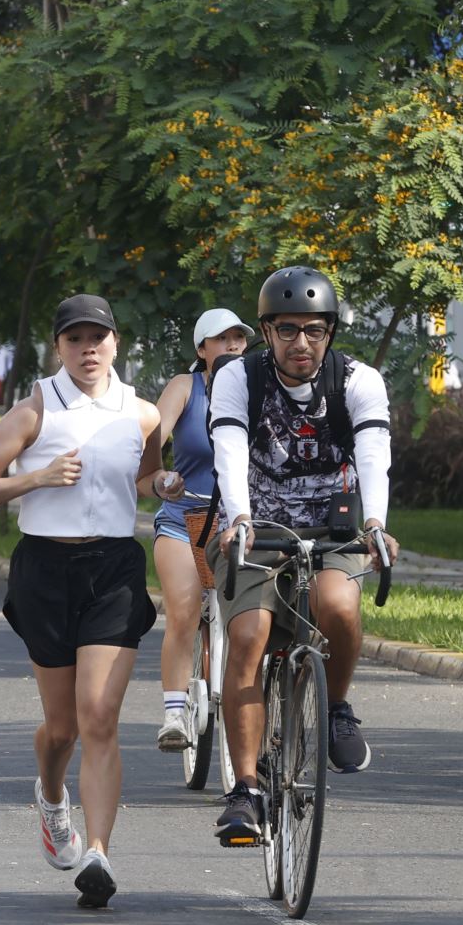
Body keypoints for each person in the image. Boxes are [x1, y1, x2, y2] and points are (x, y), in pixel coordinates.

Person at [0, 294, 183, 909]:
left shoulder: (139, 414)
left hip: (112, 567)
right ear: (58, 347)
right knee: (62, 727)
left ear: (116, 342)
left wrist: (161, 482)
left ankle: (99, 851)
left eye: (99, 338)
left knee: (99, 717)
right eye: (75, 340)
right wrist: (36, 477)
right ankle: (52, 797)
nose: (89, 349)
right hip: (45, 570)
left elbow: (143, 475)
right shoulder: (33, 411)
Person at [208, 267, 398, 843]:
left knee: (338, 606)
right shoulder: (238, 377)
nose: (301, 344)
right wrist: (237, 516)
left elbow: (373, 453)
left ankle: (336, 706)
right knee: (248, 635)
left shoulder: (359, 381)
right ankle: (245, 790)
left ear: (330, 333)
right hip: (256, 529)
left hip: (333, 528)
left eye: (314, 331)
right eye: (287, 330)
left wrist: (375, 524)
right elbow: (230, 446)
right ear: (266, 332)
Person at [148, 307, 252, 752]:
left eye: (239, 338)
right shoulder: (183, 386)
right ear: (201, 349)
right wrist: (159, 476)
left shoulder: (259, 387)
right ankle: (174, 712)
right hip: (184, 516)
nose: (232, 345)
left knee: (253, 620)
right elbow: (152, 435)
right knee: (186, 608)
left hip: (242, 523)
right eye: (221, 338)